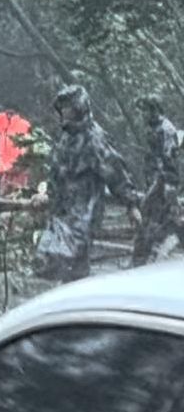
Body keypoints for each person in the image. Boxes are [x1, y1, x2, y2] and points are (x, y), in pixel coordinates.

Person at [35, 85, 141, 282]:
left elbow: (115, 172)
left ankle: (79, 301)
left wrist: (131, 203)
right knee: (49, 261)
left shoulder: (94, 138)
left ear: (79, 108)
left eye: (69, 107)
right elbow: (57, 171)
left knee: (73, 262)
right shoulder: (67, 137)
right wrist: (47, 193)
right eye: (63, 107)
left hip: (84, 211)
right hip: (62, 211)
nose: (65, 111)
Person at [132, 94, 182, 266]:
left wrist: (166, 186)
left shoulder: (165, 130)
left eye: (145, 110)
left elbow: (170, 161)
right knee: (161, 224)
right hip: (155, 181)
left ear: (154, 110)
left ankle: (140, 262)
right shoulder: (153, 128)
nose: (142, 114)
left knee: (152, 224)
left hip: (162, 184)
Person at [0, 108, 32, 194]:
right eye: (7, 112)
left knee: (18, 195)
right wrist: (4, 117)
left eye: (11, 113)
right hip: (4, 169)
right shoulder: (3, 125)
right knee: (3, 197)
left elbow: (28, 145)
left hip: (18, 169)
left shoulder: (24, 125)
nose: (8, 115)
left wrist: (20, 163)